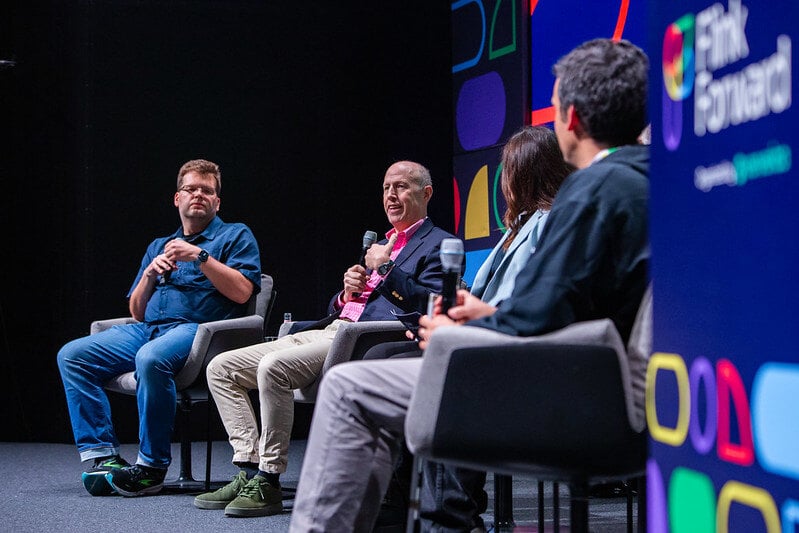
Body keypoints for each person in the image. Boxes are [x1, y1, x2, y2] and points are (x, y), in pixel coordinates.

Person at [289, 37, 649, 532]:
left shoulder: (592, 189)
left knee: (350, 387)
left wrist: (465, 333)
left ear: (572, 117)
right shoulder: (656, 182)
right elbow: (577, 304)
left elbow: (538, 318)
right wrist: (482, 317)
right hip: (621, 385)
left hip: (572, 389)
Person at [193, 160, 455, 517]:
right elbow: (348, 305)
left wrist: (385, 269)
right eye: (385, 188)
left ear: (425, 194)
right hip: (328, 329)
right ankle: (249, 468)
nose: (391, 196)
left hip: (361, 341)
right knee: (221, 367)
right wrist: (346, 294)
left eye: (401, 187)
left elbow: (432, 304)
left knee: (273, 368)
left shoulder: (440, 244)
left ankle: (269, 480)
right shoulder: (381, 243)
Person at [362, 126, 574, 530]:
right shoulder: (517, 228)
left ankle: (450, 513)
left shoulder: (548, 225)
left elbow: (527, 303)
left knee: (421, 369)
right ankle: (402, 497)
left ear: (525, 173)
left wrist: (461, 322)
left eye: (506, 170)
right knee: (381, 355)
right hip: (481, 336)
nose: (502, 182)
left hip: (506, 348)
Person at [57, 159, 262, 498]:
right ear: (177, 198)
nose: (199, 195)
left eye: (207, 191)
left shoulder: (235, 235)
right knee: (73, 355)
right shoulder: (159, 245)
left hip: (198, 331)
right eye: (191, 189)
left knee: (151, 358)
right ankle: (103, 456)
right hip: (149, 328)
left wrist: (200, 256)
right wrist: (150, 274)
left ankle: (151, 468)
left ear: (217, 202)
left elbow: (242, 292)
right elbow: (137, 312)